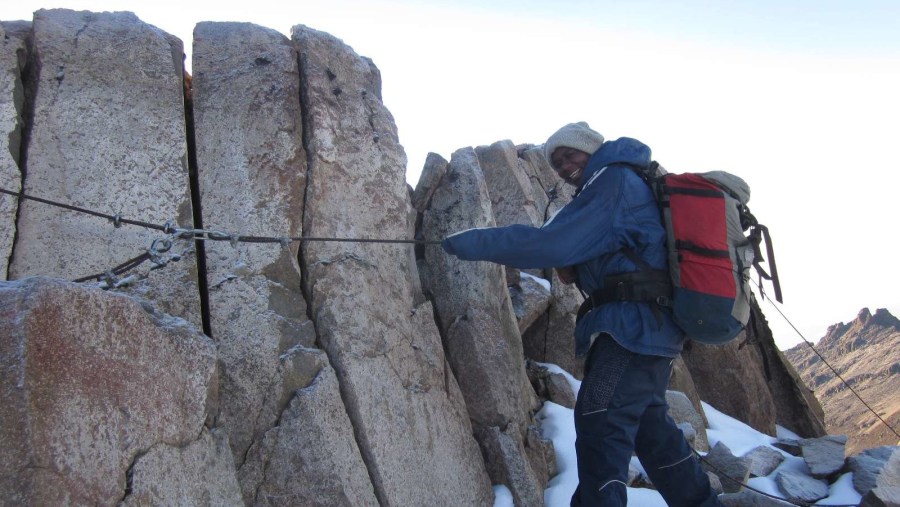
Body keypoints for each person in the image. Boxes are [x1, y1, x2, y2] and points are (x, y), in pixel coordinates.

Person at [441, 122, 723, 506]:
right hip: (645, 327)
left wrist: (468, 241)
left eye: (569, 155)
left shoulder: (612, 181)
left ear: (591, 149)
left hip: (631, 329)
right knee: (648, 430)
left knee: (599, 419)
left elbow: (551, 243)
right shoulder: (614, 183)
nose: (563, 166)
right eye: (555, 162)